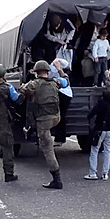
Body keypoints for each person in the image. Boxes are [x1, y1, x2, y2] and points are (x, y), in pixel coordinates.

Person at [19, 59, 70, 189]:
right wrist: (59, 70)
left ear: (36, 72)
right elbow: (66, 81)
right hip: (56, 117)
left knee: (48, 149)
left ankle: (56, 180)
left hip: (43, 120)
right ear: (48, 71)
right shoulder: (55, 82)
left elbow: (22, 92)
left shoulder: (34, 84)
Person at [0, 64, 23, 182]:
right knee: (7, 147)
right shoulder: (8, 87)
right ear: (3, 74)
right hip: (3, 121)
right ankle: (9, 173)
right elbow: (17, 100)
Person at [85, 89, 110, 181]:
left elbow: (91, 114)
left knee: (94, 150)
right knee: (107, 151)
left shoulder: (100, 104)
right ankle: (105, 173)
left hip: (99, 129)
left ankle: (92, 173)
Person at [48, 59, 73, 147]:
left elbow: (65, 80)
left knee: (58, 116)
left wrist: (58, 67)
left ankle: (59, 138)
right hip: (66, 94)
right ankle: (58, 138)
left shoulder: (55, 68)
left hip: (62, 94)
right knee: (60, 116)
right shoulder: (59, 71)